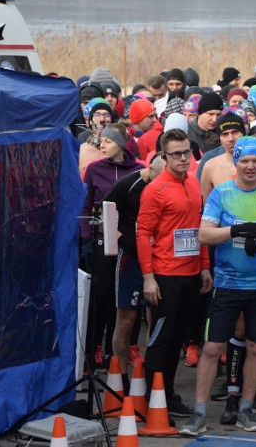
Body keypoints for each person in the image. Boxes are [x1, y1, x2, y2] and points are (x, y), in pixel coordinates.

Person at [180, 137, 256, 436]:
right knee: (211, 348)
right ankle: (199, 413)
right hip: (228, 284)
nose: (250, 166)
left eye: (255, 161)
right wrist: (233, 230)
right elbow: (204, 235)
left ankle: (246, 408)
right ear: (235, 162)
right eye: (244, 160)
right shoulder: (221, 193)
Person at [136, 130, 210, 415]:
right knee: (161, 339)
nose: (182, 158)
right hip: (165, 275)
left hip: (191, 273)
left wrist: (204, 265)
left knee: (178, 338)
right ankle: (153, 400)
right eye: (176, 154)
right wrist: (148, 277)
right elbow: (143, 234)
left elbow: (199, 227)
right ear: (163, 157)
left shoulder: (193, 184)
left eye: (186, 153)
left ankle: (167, 393)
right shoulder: (156, 190)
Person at [103, 152, 164, 379]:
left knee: (155, 320)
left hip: (159, 258)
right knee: (126, 320)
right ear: (150, 169)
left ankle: (148, 376)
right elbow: (104, 210)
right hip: (131, 258)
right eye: (158, 178)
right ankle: (120, 376)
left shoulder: (169, 184)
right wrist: (120, 238)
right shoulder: (128, 183)